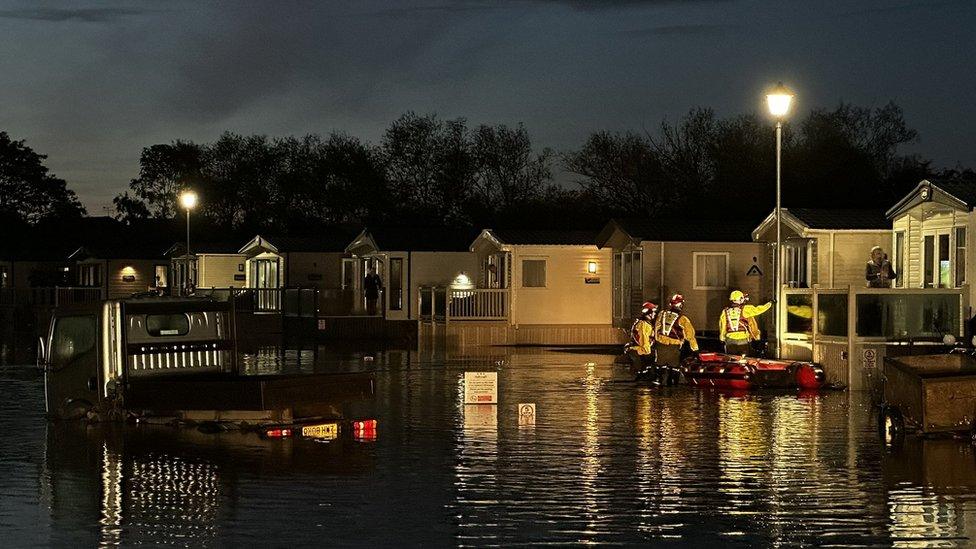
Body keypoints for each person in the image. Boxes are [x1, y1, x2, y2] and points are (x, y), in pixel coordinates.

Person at [719, 290, 770, 356]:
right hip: (743, 339)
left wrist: (722, 338)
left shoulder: (725, 311)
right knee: (744, 360)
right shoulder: (746, 309)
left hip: (730, 340)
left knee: (732, 360)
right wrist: (769, 304)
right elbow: (759, 310)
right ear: (740, 299)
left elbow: (723, 326)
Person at [654, 294, 699, 368]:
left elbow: (656, 328)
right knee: (674, 367)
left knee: (660, 367)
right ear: (680, 305)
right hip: (674, 347)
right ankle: (671, 378)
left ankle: (659, 378)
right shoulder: (682, 319)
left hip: (660, 346)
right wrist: (695, 349)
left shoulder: (662, 314)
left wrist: (656, 341)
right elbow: (690, 336)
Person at [625, 301, 658, 379]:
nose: (654, 314)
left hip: (637, 351)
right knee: (643, 374)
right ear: (649, 313)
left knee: (641, 373)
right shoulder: (644, 325)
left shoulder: (641, 323)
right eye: (653, 312)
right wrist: (648, 353)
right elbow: (644, 338)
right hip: (640, 352)